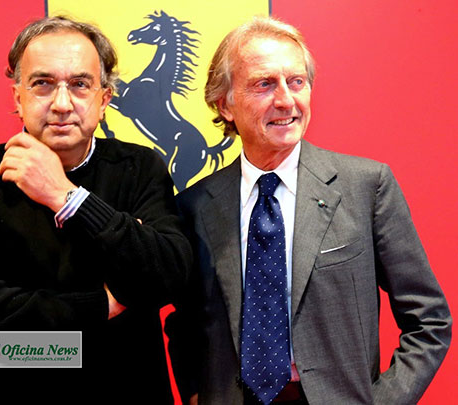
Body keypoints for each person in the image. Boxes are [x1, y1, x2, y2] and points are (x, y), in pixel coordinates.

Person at [166, 16, 451, 405]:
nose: (286, 100)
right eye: (264, 84)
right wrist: (197, 394)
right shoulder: (195, 205)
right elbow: (184, 323)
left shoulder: (366, 186)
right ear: (225, 105)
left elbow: (429, 321)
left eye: (296, 82)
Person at [0, 16, 192, 404]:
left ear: (104, 100)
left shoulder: (140, 168)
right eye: (43, 84)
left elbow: (168, 276)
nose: (61, 104)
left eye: (80, 85)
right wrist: (99, 308)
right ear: (17, 97)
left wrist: (67, 197)